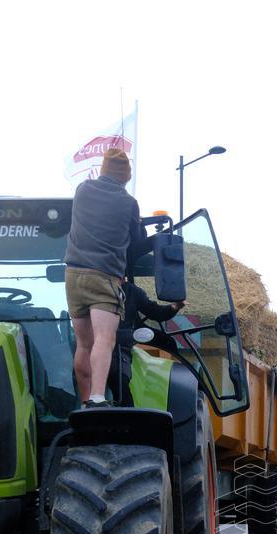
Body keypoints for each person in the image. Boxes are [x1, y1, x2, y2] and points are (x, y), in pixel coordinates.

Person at [64, 148, 142, 408]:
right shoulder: (128, 202)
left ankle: (85, 402)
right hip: (104, 276)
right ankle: (98, 397)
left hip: (73, 276)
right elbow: (137, 242)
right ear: (126, 176)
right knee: (104, 340)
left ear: (104, 169)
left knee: (83, 344)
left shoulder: (82, 190)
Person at [108, 282, 186, 404]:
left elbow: (154, 311)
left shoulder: (131, 291)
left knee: (167, 342)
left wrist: (174, 307)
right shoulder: (95, 287)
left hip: (123, 344)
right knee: (118, 377)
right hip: (102, 345)